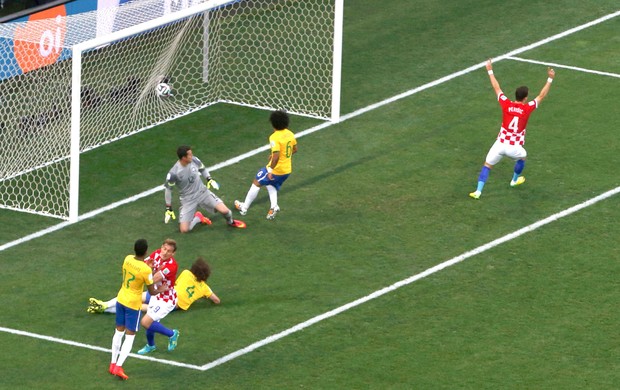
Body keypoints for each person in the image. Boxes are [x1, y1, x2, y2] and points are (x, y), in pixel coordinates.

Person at [469, 59, 555, 200]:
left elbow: (497, 88)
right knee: (523, 157)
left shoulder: (506, 104)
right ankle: (514, 180)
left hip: (499, 144)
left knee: (487, 165)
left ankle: (478, 192)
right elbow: (541, 96)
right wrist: (550, 79)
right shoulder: (527, 108)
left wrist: (489, 70)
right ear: (525, 98)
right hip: (514, 147)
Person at [109, 239, 166, 380]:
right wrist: (161, 289)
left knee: (118, 332)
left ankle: (112, 364)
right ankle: (119, 367)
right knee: (130, 336)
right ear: (146, 251)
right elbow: (152, 291)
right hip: (133, 304)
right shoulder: (146, 270)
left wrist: (149, 269)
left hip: (121, 298)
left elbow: (137, 271)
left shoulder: (127, 258)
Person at [88, 258, 220, 314]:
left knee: (134, 297)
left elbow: (176, 284)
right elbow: (216, 300)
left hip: (164, 293)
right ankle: (104, 308)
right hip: (172, 303)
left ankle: (105, 305)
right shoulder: (204, 288)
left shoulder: (186, 273)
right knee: (137, 307)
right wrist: (203, 296)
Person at [164, 145, 246, 232]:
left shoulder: (194, 160)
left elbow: (202, 169)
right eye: (190, 155)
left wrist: (209, 179)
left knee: (226, 211)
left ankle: (230, 222)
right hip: (188, 200)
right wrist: (168, 207)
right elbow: (168, 189)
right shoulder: (174, 173)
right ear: (184, 157)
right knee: (184, 230)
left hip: (202, 193)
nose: (192, 156)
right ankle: (198, 217)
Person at [235, 110, 298, 219]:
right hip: (287, 170)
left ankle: (244, 208)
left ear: (273, 124)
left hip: (277, 170)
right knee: (271, 184)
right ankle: (274, 206)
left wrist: (270, 170)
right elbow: (295, 149)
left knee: (257, 181)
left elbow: (277, 156)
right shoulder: (290, 134)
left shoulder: (274, 137)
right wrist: (277, 156)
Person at [135, 238, 180, 355]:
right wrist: (147, 268)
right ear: (161, 247)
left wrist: (148, 271)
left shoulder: (171, 266)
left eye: (169, 251)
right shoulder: (156, 254)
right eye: (164, 249)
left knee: (145, 322)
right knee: (150, 321)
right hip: (156, 295)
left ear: (173, 254)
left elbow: (153, 280)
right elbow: (142, 265)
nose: (165, 252)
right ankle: (151, 346)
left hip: (167, 299)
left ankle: (172, 334)